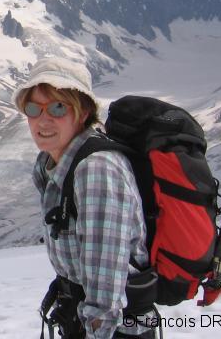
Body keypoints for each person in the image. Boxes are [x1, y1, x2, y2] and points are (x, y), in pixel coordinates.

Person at [12, 57, 155, 339]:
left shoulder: (95, 169)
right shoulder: (51, 163)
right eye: (33, 108)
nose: (43, 119)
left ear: (83, 110)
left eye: (57, 107)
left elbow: (105, 286)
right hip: (78, 319)